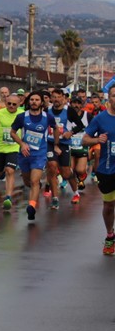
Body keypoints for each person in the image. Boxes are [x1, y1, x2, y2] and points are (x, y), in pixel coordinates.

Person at [10, 89, 59, 222]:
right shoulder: (22, 117)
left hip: (39, 154)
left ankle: (31, 206)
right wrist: (21, 143)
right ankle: (35, 191)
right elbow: (12, 132)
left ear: (42, 102)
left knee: (34, 181)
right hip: (25, 154)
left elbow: (56, 128)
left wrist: (55, 144)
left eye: (37, 100)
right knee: (27, 182)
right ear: (28, 102)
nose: (34, 102)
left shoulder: (47, 117)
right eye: (32, 99)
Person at [81, 86, 115, 254]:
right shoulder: (100, 119)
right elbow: (84, 140)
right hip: (107, 169)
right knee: (109, 206)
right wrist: (97, 139)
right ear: (109, 98)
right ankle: (110, 236)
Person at [45, 87, 81, 208]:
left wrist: (70, 132)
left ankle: (76, 192)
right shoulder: (47, 110)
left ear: (64, 99)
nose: (56, 100)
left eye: (59, 97)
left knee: (65, 173)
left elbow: (80, 125)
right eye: (54, 97)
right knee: (52, 167)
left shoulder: (69, 111)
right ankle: (55, 198)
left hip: (64, 142)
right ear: (51, 98)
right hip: (50, 142)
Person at [0, 93, 23, 209]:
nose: (11, 106)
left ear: (19, 104)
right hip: (0, 148)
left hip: (14, 147)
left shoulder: (22, 114)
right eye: (9, 103)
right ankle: (0, 174)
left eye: (14, 104)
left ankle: (8, 197)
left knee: (10, 171)